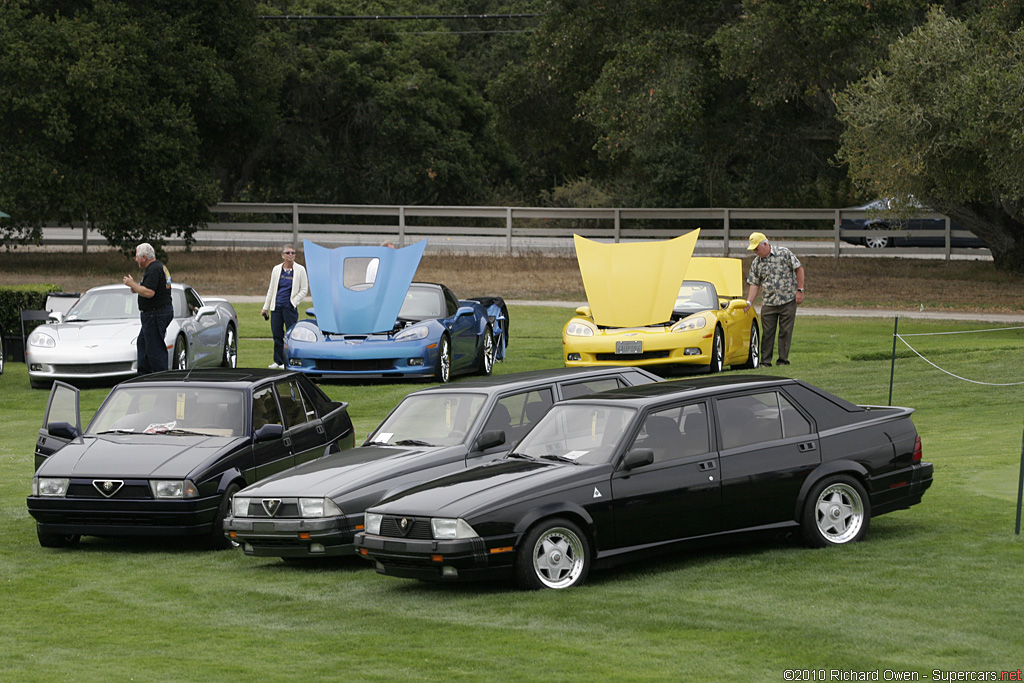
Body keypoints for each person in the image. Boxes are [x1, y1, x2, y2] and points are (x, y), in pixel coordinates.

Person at [743, 232, 805, 367]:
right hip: (769, 303)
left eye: (756, 248)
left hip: (788, 300)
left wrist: (800, 290)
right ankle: (765, 362)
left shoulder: (784, 253)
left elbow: (799, 269)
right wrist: (749, 302)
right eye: (753, 249)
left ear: (765, 244)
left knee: (785, 332)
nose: (755, 251)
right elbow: (754, 284)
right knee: (767, 333)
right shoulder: (756, 262)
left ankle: (783, 361)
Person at [123, 243, 173, 375]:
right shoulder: (159, 267)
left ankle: (160, 378)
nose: (136, 260)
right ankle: (144, 376)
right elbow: (148, 289)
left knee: (155, 348)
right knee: (143, 344)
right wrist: (135, 288)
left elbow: (150, 292)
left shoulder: (153, 269)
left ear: (144, 257)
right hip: (156, 313)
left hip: (155, 314)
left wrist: (131, 283)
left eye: (137, 257)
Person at [261, 244, 309, 370]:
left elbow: (304, 289)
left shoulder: (300, 270)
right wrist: (265, 307)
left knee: (290, 336)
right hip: (276, 307)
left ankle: (289, 361)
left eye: (293, 253)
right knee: (277, 335)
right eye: (288, 253)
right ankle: (278, 361)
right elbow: (271, 289)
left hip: (290, 308)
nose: (291, 255)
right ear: (283, 255)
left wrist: (294, 302)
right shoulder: (277, 269)